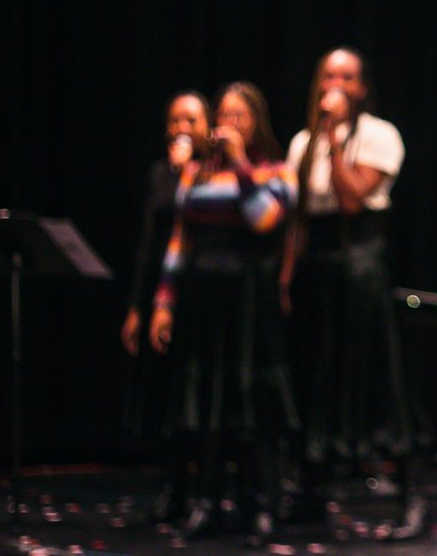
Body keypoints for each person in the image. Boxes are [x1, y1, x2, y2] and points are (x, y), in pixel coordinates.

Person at [284, 47, 425, 540]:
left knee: (377, 378)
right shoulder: (303, 142)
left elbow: (350, 199)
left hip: (360, 262)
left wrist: (335, 140)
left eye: (346, 77)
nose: (336, 86)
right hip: (317, 267)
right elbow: (299, 218)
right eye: (328, 76)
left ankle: (411, 497)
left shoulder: (379, 135)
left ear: (362, 88)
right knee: (315, 376)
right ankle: (310, 492)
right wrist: (285, 280)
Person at [150, 82, 298, 546]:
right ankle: (207, 502)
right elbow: (180, 239)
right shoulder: (196, 173)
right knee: (207, 402)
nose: (228, 124)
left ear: (256, 122)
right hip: (203, 294)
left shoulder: (277, 171)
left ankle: (262, 505)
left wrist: (240, 163)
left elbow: (263, 220)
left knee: (253, 404)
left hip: (250, 297)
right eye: (223, 116)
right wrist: (163, 303)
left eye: (239, 116)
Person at [121, 90, 210, 523]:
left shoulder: (215, 173)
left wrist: (187, 176)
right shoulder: (160, 173)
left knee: (199, 391)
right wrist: (138, 307)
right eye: (175, 121)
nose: (182, 129)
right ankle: (172, 486)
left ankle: (205, 490)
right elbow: (148, 241)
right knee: (168, 392)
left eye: (191, 121)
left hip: (201, 290)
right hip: (162, 290)